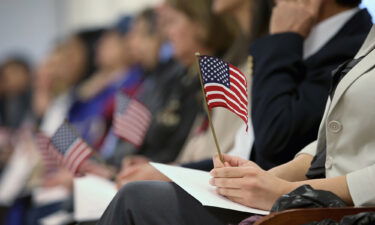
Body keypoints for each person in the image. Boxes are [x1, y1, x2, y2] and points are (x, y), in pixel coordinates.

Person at [97, 22, 375, 225]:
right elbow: (333, 139)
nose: (167, 32)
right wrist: (272, 177)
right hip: (310, 197)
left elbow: (275, 134)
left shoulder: (340, 38)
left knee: (136, 199)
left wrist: (283, 190)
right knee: (131, 197)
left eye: (174, 19)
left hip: (339, 210)